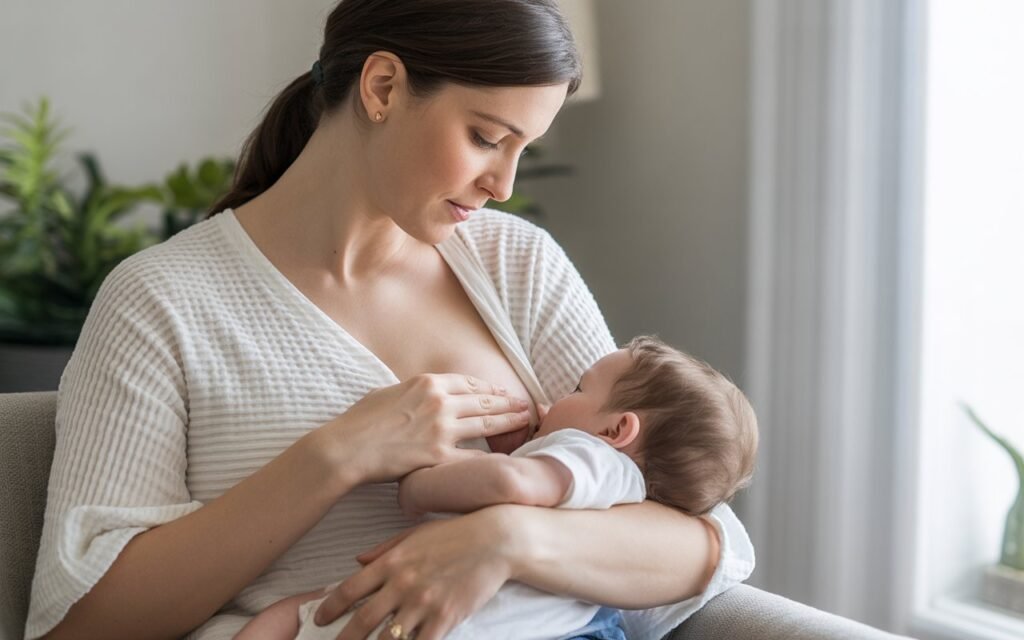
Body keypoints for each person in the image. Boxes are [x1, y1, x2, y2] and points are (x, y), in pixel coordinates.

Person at [25, 1, 755, 639]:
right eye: (486, 137)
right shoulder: (160, 301)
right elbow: (82, 623)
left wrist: (507, 536)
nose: (502, 185)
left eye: (521, 151)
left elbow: (707, 542)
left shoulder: (515, 265)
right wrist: (337, 457)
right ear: (382, 88)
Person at [234, 335, 758, 640]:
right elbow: (529, 483)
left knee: (290, 617)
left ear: (617, 431)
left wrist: (424, 477)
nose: (555, 398)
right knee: (294, 613)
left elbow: (513, 482)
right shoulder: (613, 485)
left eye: (578, 389)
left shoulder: (598, 460)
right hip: (487, 618)